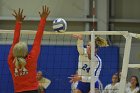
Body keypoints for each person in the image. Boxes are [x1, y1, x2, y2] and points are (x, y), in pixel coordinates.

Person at [8, 6, 50, 93]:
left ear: (14, 52)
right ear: (26, 52)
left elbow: (15, 41)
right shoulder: (31, 59)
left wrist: (18, 23)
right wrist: (43, 19)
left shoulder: (11, 61)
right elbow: (38, 39)